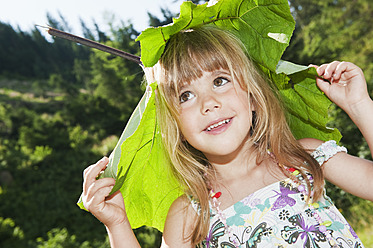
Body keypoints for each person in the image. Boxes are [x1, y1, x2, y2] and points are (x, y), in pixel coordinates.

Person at [81, 26, 372, 247]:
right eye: (186, 96)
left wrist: (360, 106)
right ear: (176, 127)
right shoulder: (189, 214)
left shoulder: (304, 158)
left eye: (220, 81)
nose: (208, 103)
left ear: (254, 96)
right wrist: (118, 225)